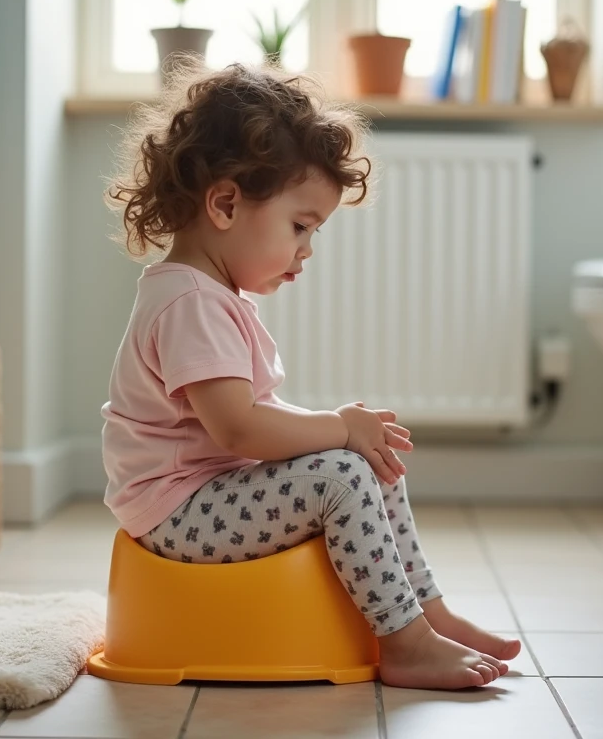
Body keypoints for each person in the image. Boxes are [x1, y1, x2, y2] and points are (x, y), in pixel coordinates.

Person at [99, 63, 521, 689]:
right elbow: (240, 429)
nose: (307, 249)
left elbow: (244, 424)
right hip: (177, 513)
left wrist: (349, 432)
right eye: (300, 226)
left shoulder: (212, 295)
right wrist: (336, 430)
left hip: (209, 492)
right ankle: (404, 644)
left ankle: (429, 616)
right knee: (347, 470)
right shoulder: (190, 302)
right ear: (224, 203)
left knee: (369, 458)